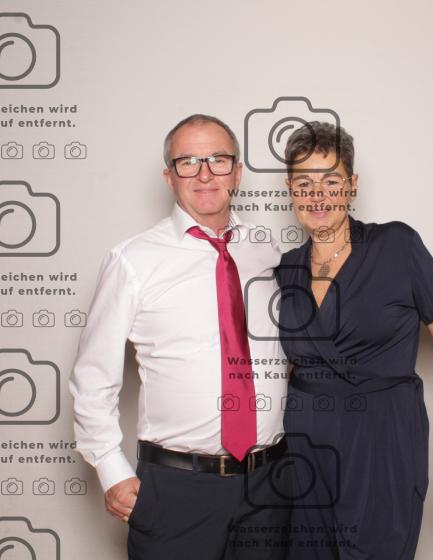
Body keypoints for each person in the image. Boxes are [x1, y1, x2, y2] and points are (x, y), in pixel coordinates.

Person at [68, 114, 292, 559]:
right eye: (188, 162)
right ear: (169, 177)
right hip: (176, 489)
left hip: (269, 488)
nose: (205, 174)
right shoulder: (132, 260)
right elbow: (92, 377)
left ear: (238, 172)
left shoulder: (268, 250)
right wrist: (111, 469)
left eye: (218, 160)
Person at [275, 121, 433, 559]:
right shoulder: (284, 269)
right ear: (290, 191)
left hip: (382, 438)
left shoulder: (397, 245)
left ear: (352, 185)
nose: (318, 196)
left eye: (331, 182)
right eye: (304, 184)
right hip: (304, 446)